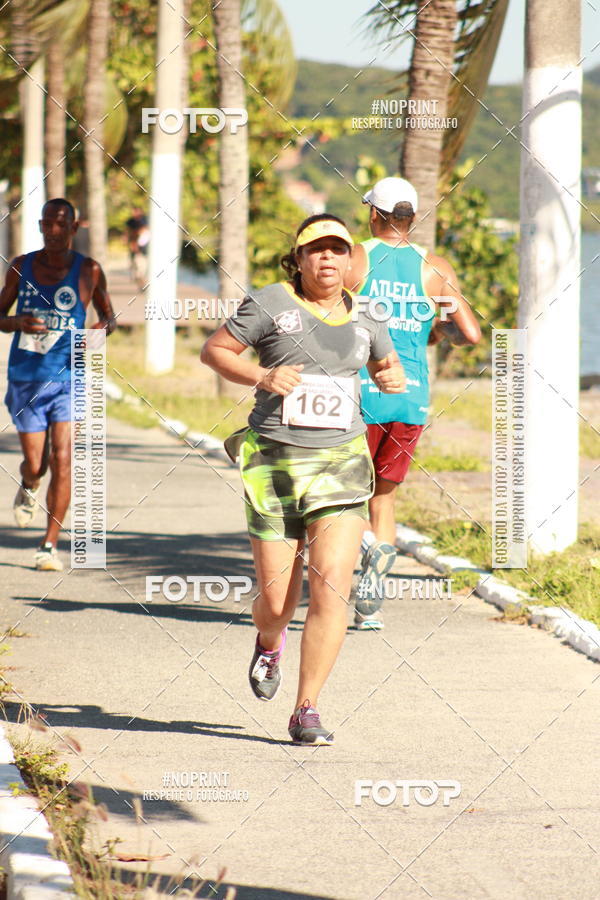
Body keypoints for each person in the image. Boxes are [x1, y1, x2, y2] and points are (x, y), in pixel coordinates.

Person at [201, 214, 406, 744]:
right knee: (276, 603)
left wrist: (391, 376)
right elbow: (216, 351)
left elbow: (387, 365)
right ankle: (269, 642)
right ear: (300, 258)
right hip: (275, 463)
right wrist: (263, 375)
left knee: (331, 590)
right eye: (317, 251)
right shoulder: (272, 302)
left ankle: (307, 708)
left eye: (338, 249)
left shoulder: (369, 315)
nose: (328, 259)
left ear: (349, 259)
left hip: (341, 463)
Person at [345, 177, 481, 630]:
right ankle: (371, 606)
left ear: (372, 215)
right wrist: (437, 332)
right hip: (410, 401)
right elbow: (471, 334)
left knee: (343, 500)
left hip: (359, 393)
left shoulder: (357, 258)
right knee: (383, 500)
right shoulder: (433, 268)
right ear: (413, 218)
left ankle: (371, 550)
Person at [0, 198, 116, 571]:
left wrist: (100, 331)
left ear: (73, 229)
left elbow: (108, 317)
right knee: (36, 464)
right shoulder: (21, 266)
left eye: (60, 224)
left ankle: (48, 545)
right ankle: (30, 484)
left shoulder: (90, 271)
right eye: (46, 224)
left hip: (70, 378)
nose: (52, 231)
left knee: (62, 459)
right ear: (40, 226)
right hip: (26, 378)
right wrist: (17, 323)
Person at [125, 206, 149, 287]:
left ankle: (142, 282)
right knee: (135, 267)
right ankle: (141, 282)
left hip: (143, 250)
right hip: (135, 249)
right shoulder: (131, 221)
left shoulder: (145, 220)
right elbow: (127, 231)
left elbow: (144, 232)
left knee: (141, 268)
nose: (134, 213)